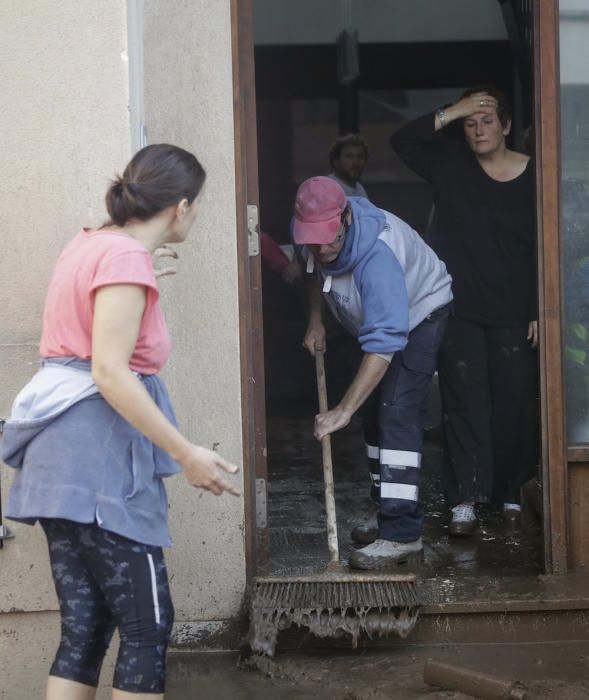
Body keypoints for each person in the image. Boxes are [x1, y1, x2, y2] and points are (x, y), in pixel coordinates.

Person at [1, 144, 240, 699]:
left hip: (58, 466)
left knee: (86, 630)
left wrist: (139, 273)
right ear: (181, 206)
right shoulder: (123, 261)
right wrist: (186, 452)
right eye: (197, 205)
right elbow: (109, 372)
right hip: (98, 467)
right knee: (147, 627)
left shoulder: (93, 245)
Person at [391, 86, 539, 536]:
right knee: (463, 404)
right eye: (471, 123)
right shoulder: (450, 164)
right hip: (458, 308)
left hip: (516, 309)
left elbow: (543, 247)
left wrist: (540, 307)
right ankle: (464, 501)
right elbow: (403, 141)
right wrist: (456, 109)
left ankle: (511, 490)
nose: (478, 129)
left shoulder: (536, 175)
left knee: (513, 404)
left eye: (487, 119)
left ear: (507, 126)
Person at [293, 176, 452, 570]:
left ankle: (401, 533)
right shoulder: (316, 241)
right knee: (373, 415)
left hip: (419, 316)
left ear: (345, 217)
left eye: (328, 238)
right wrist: (315, 320)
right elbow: (313, 270)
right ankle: (387, 510)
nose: (321, 248)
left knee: (396, 409)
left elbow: (384, 343)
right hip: (372, 324)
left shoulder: (378, 256)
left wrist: (342, 410)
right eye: (312, 239)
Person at [327, 133, 369, 198]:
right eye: (349, 157)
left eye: (360, 156)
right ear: (336, 160)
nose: (356, 163)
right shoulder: (327, 189)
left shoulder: (360, 190)